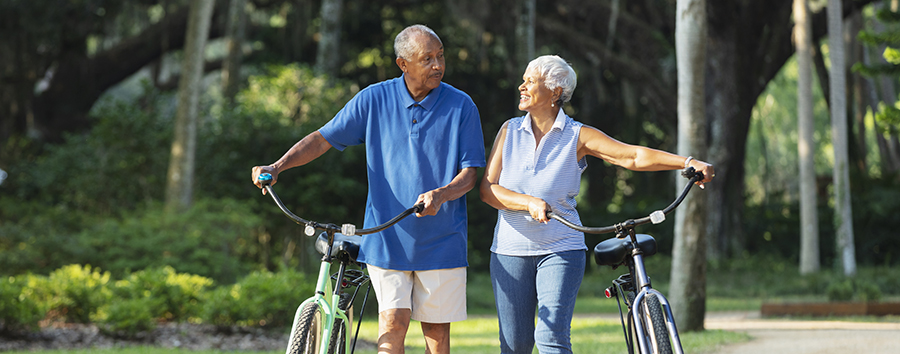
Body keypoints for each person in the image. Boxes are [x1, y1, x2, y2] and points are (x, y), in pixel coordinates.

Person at [252, 25, 485, 354]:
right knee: (392, 325)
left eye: (441, 56)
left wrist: (443, 193)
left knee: (436, 335)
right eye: (428, 59)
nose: (438, 65)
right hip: (386, 237)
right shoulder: (374, 99)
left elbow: (471, 173)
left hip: (442, 239)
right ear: (403, 64)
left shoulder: (462, 106)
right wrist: (277, 166)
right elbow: (322, 138)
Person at [479, 55, 714, 354]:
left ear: (554, 92)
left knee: (550, 339)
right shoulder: (509, 131)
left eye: (530, 81)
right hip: (508, 251)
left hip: (561, 248)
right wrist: (528, 202)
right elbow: (488, 190)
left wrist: (688, 162)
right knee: (515, 346)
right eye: (523, 80)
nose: (521, 86)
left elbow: (631, 156)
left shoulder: (577, 135)